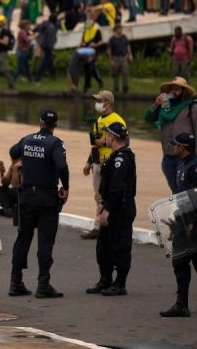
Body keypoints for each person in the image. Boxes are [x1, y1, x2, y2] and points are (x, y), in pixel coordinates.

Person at [8, 109, 69, 298]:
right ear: (55, 126)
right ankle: (43, 284)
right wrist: (65, 187)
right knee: (45, 242)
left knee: (23, 238)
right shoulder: (55, 143)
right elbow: (61, 166)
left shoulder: (26, 139)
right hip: (46, 199)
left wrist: (21, 164)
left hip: (26, 197)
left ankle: (15, 282)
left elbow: (13, 151)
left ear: (40, 122)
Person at [159, 132, 197, 318]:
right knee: (180, 261)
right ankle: (182, 304)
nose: (173, 147)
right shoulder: (182, 164)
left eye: (176, 145)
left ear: (183, 148)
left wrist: (195, 223)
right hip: (182, 219)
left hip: (193, 222)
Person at [86, 122, 135, 296]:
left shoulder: (122, 158)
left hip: (120, 209)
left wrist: (106, 209)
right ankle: (105, 279)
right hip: (110, 205)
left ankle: (120, 283)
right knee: (103, 246)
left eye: (107, 135)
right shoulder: (115, 156)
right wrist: (102, 203)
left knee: (120, 245)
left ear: (112, 137)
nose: (104, 137)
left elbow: (117, 187)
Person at [144, 77, 197, 192]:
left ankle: (186, 210)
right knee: (176, 191)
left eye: (177, 89)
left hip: (185, 158)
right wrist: (156, 104)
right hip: (167, 157)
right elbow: (148, 118)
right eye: (172, 89)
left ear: (184, 92)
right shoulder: (164, 106)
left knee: (185, 190)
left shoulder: (192, 107)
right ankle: (180, 209)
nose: (173, 92)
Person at [81, 90, 126, 240]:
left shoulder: (116, 120)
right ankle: (99, 225)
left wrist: (104, 142)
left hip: (111, 162)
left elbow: (123, 141)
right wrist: (89, 162)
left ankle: (104, 225)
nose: (97, 103)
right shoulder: (98, 119)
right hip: (98, 162)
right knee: (98, 195)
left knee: (109, 194)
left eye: (100, 100)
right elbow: (95, 144)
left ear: (108, 101)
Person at [106, 24, 132, 94]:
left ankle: (125, 88)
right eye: (119, 29)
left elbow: (128, 46)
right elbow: (109, 50)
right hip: (115, 58)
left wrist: (130, 55)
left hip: (123, 57)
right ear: (115, 30)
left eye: (121, 28)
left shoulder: (124, 37)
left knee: (125, 73)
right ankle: (116, 89)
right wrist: (111, 60)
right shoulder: (112, 39)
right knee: (115, 74)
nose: (120, 30)